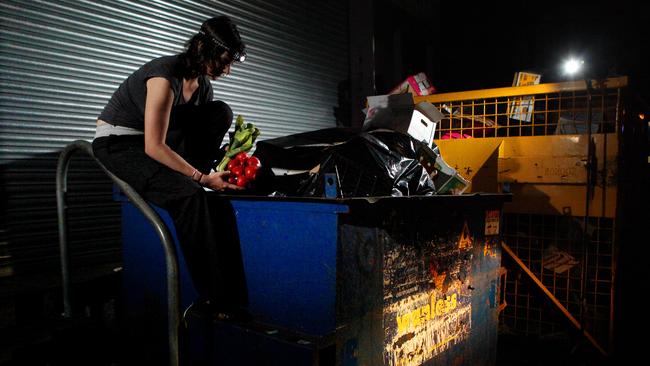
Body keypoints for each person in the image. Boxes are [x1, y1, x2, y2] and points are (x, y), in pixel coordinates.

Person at [92, 15, 249, 318]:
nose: (227, 70)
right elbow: (153, 146)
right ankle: (215, 300)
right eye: (224, 61)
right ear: (204, 49)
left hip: (153, 145)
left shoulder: (202, 87)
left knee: (220, 112)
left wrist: (221, 161)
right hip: (120, 144)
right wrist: (199, 178)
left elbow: (188, 135)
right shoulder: (164, 77)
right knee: (190, 196)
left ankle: (200, 181)